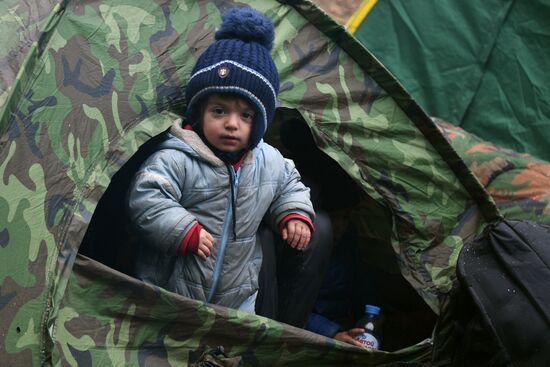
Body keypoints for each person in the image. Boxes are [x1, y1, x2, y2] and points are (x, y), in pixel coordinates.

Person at [126, 6, 315, 314]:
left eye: (246, 115)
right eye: (219, 111)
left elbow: (289, 184)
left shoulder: (268, 161)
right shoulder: (177, 156)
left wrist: (293, 213)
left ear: (260, 121)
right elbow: (146, 196)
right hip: (169, 293)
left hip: (238, 297)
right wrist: (182, 228)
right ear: (199, 111)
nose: (231, 123)